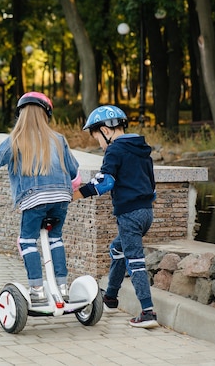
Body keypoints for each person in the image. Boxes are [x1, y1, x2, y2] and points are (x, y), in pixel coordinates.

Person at [0, 92, 80, 303]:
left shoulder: (16, 139)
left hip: (33, 198)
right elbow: (75, 174)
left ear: (20, 114)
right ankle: (63, 287)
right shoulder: (58, 139)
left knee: (27, 240)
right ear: (46, 115)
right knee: (55, 238)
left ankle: (37, 289)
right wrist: (70, 190)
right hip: (61, 197)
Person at [72, 105, 159, 328]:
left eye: (96, 138)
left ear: (105, 130)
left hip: (129, 214)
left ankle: (148, 312)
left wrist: (75, 194)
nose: (99, 145)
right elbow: (152, 184)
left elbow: (106, 182)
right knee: (117, 249)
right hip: (146, 213)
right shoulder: (141, 149)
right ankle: (110, 298)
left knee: (135, 260)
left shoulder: (115, 150)